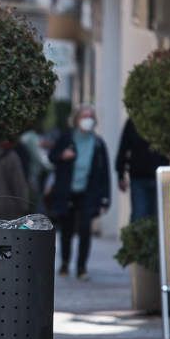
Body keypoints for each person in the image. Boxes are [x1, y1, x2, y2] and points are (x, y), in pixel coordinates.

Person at [48, 104, 111, 281]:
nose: (87, 120)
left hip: (88, 193)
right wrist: (62, 155)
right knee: (66, 230)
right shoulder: (66, 138)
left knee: (85, 229)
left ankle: (82, 267)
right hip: (67, 191)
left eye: (90, 116)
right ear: (76, 119)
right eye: (84, 116)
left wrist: (105, 198)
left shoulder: (98, 143)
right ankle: (65, 263)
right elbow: (51, 156)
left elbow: (104, 172)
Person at [115, 118, 169, 222]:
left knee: (159, 218)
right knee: (139, 217)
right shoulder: (133, 122)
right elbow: (124, 147)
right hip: (139, 177)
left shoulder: (163, 119)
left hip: (161, 177)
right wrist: (120, 174)